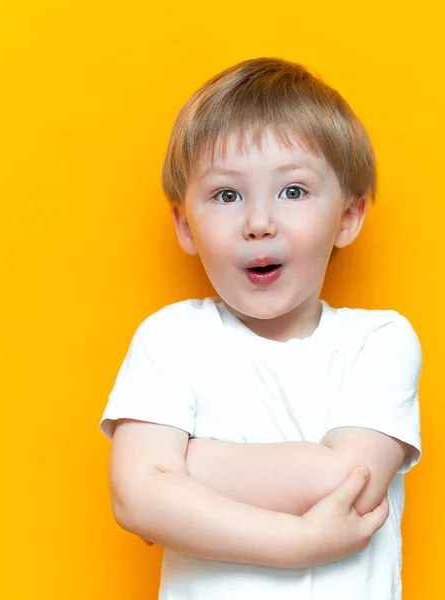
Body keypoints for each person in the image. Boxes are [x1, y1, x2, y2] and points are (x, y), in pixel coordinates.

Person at [99, 57, 422, 599]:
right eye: (227, 195)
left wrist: (179, 466)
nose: (258, 222)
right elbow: (134, 498)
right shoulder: (171, 338)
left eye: (293, 191)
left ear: (348, 215)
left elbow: (348, 480)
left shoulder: (380, 341)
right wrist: (298, 539)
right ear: (185, 225)